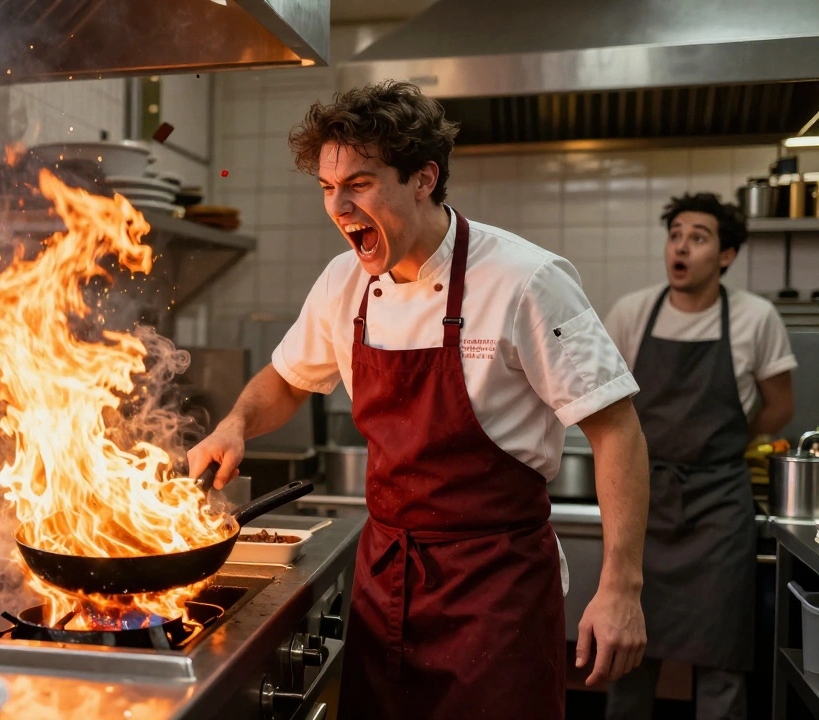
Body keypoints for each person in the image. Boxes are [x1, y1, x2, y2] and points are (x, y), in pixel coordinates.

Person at [187, 80, 649, 720]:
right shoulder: (342, 282)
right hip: (385, 586)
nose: (339, 206)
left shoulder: (525, 279)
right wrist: (235, 424)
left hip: (496, 592)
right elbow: (288, 379)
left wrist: (621, 587)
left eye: (360, 183)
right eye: (327, 187)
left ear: (424, 177)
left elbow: (617, 429)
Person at [603, 193, 795, 720]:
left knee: (722, 659)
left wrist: (728, 437)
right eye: (675, 235)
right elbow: (607, 403)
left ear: (726, 255)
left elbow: (780, 405)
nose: (681, 247)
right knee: (626, 652)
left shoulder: (756, 318)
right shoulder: (632, 312)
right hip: (642, 502)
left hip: (719, 508)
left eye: (698, 237)